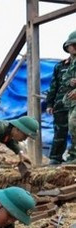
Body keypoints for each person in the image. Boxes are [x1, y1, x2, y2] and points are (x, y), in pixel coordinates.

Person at [46, 31, 76, 165]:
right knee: (59, 132)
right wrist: (49, 104)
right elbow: (53, 86)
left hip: (74, 103)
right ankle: (55, 158)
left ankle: (73, 156)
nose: (74, 47)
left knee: (74, 127)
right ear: (67, 47)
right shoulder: (60, 66)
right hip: (61, 103)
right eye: (72, 45)